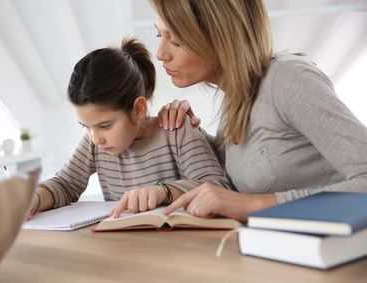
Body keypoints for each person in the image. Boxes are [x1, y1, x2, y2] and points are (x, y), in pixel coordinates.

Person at [148, 0, 367, 222]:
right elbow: (226, 176)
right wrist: (187, 128)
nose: (160, 54)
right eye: (160, 35)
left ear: (222, 34)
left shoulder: (289, 79)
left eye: (176, 40)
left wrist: (254, 205)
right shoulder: (235, 101)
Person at [26, 37, 230, 220]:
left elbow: (217, 186)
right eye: (86, 127)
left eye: (105, 126)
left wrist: (163, 192)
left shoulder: (176, 130)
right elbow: (65, 184)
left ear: (139, 109)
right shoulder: (94, 143)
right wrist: (35, 198)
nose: (96, 138)